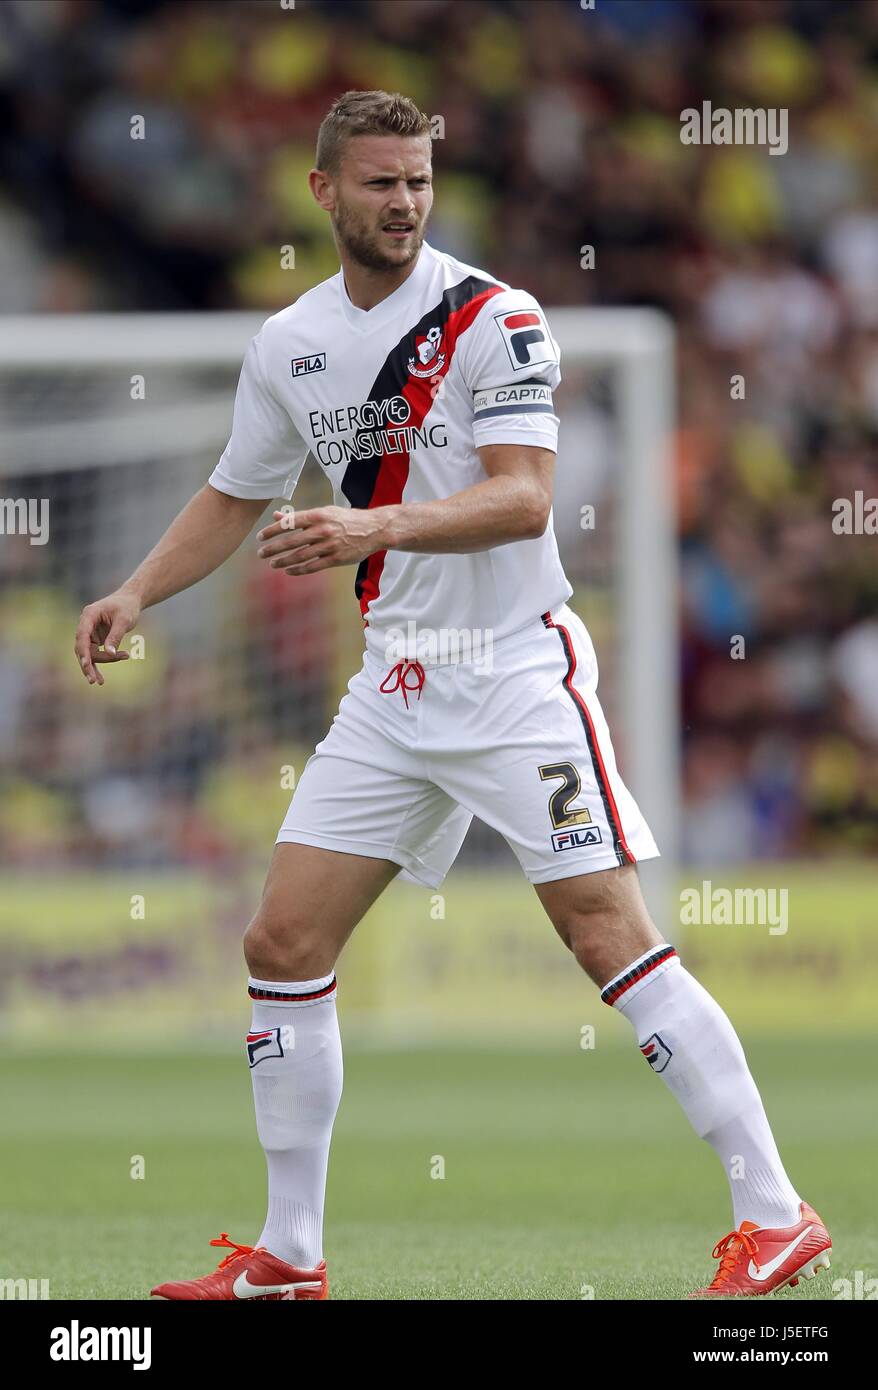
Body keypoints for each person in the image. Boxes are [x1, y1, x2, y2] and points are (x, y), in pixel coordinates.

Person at [74, 90, 830, 1301]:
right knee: (281, 939)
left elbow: (523, 496)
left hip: (516, 677)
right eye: (378, 183)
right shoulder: (290, 344)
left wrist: (371, 520)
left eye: (418, 181)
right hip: (393, 688)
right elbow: (233, 493)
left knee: (603, 931)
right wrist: (133, 591)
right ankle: (289, 1255)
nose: (403, 202)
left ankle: (775, 1213)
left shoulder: (492, 315)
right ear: (322, 192)